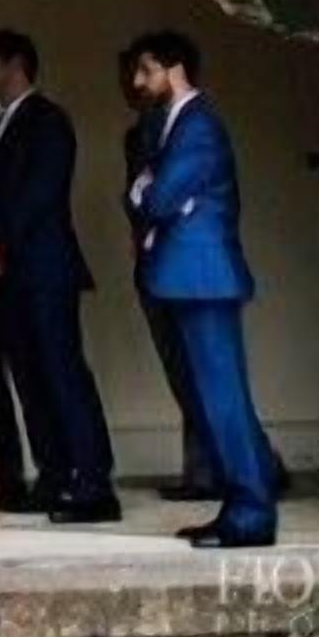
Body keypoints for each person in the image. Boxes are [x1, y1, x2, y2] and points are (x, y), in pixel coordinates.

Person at [126, 31, 280, 548]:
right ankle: (241, 502)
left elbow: (160, 196)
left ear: (174, 70)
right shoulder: (174, 125)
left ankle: (251, 514)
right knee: (210, 396)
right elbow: (154, 194)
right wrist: (150, 190)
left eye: (146, 71)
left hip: (201, 277)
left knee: (222, 396)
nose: (137, 82)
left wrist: (150, 190)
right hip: (188, 276)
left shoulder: (197, 124)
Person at [0, 31, 119, 522]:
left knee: (62, 370)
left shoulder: (47, 119)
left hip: (44, 267)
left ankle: (94, 482)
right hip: (7, 274)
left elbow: (40, 194)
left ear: (17, 64)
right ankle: (55, 474)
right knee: (29, 378)